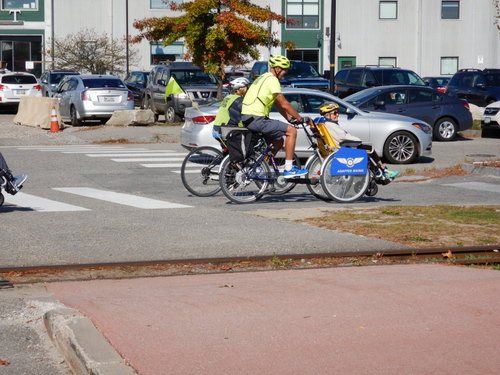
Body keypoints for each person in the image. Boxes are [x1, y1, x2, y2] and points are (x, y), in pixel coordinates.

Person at [241, 55, 308, 178]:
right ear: (277, 68)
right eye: (284, 69)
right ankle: (289, 168)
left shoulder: (263, 78)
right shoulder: (272, 80)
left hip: (249, 117)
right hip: (257, 118)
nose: (285, 72)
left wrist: (288, 117)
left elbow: (277, 104)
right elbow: (284, 103)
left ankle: (261, 168)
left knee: (278, 141)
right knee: (292, 131)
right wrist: (299, 118)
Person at [317, 103, 399, 181]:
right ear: (327, 115)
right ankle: (381, 171)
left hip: (337, 147)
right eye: (335, 113)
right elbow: (343, 137)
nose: (337, 115)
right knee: (370, 149)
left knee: (367, 150)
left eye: (337, 112)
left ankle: (380, 170)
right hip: (342, 148)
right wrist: (358, 140)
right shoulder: (331, 125)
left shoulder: (325, 124)